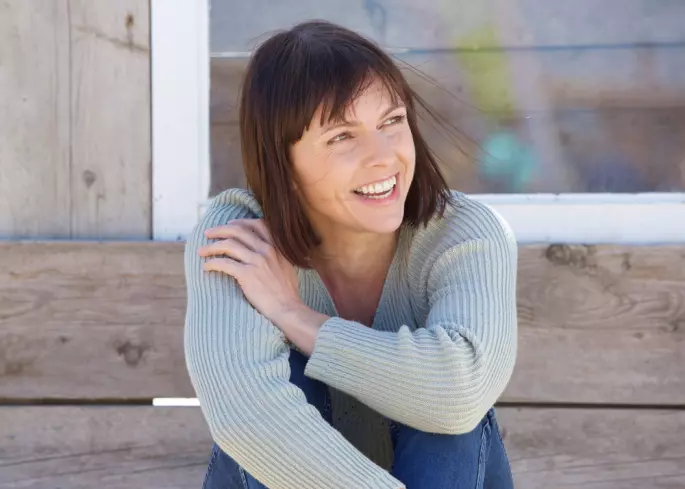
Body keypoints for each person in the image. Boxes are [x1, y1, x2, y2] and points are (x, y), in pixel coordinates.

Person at [184, 20, 518, 489]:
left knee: (446, 414)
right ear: (283, 161)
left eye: (391, 122)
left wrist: (292, 315)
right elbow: (249, 418)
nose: (384, 156)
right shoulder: (240, 236)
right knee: (280, 399)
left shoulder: (464, 233)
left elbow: (459, 393)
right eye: (342, 136)